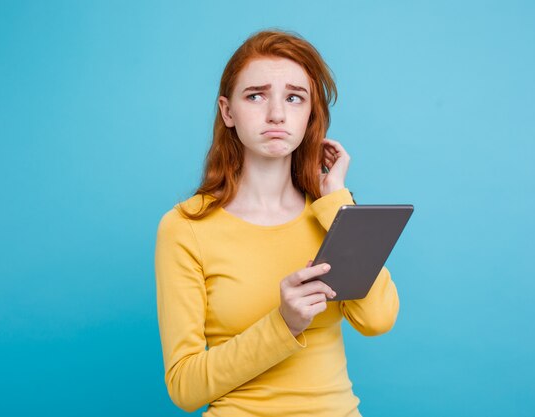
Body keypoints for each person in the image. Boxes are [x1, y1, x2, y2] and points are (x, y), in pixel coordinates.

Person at [154, 28, 399, 417]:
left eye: (294, 98)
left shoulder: (330, 213)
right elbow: (184, 388)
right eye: (256, 96)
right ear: (227, 111)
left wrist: (336, 201)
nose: (277, 114)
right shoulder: (185, 227)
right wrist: (283, 323)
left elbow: (378, 320)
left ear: (309, 115)